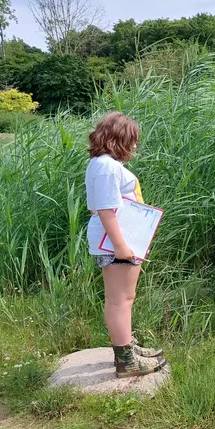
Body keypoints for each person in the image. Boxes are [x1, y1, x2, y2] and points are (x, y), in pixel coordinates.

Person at [85, 112, 166, 378]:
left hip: (116, 237)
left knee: (119, 299)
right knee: (122, 300)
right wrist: (121, 246)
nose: (134, 146)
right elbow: (107, 210)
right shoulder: (107, 167)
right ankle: (126, 360)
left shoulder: (101, 164)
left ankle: (126, 347)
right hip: (116, 241)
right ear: (117, 138)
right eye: (132, 140)